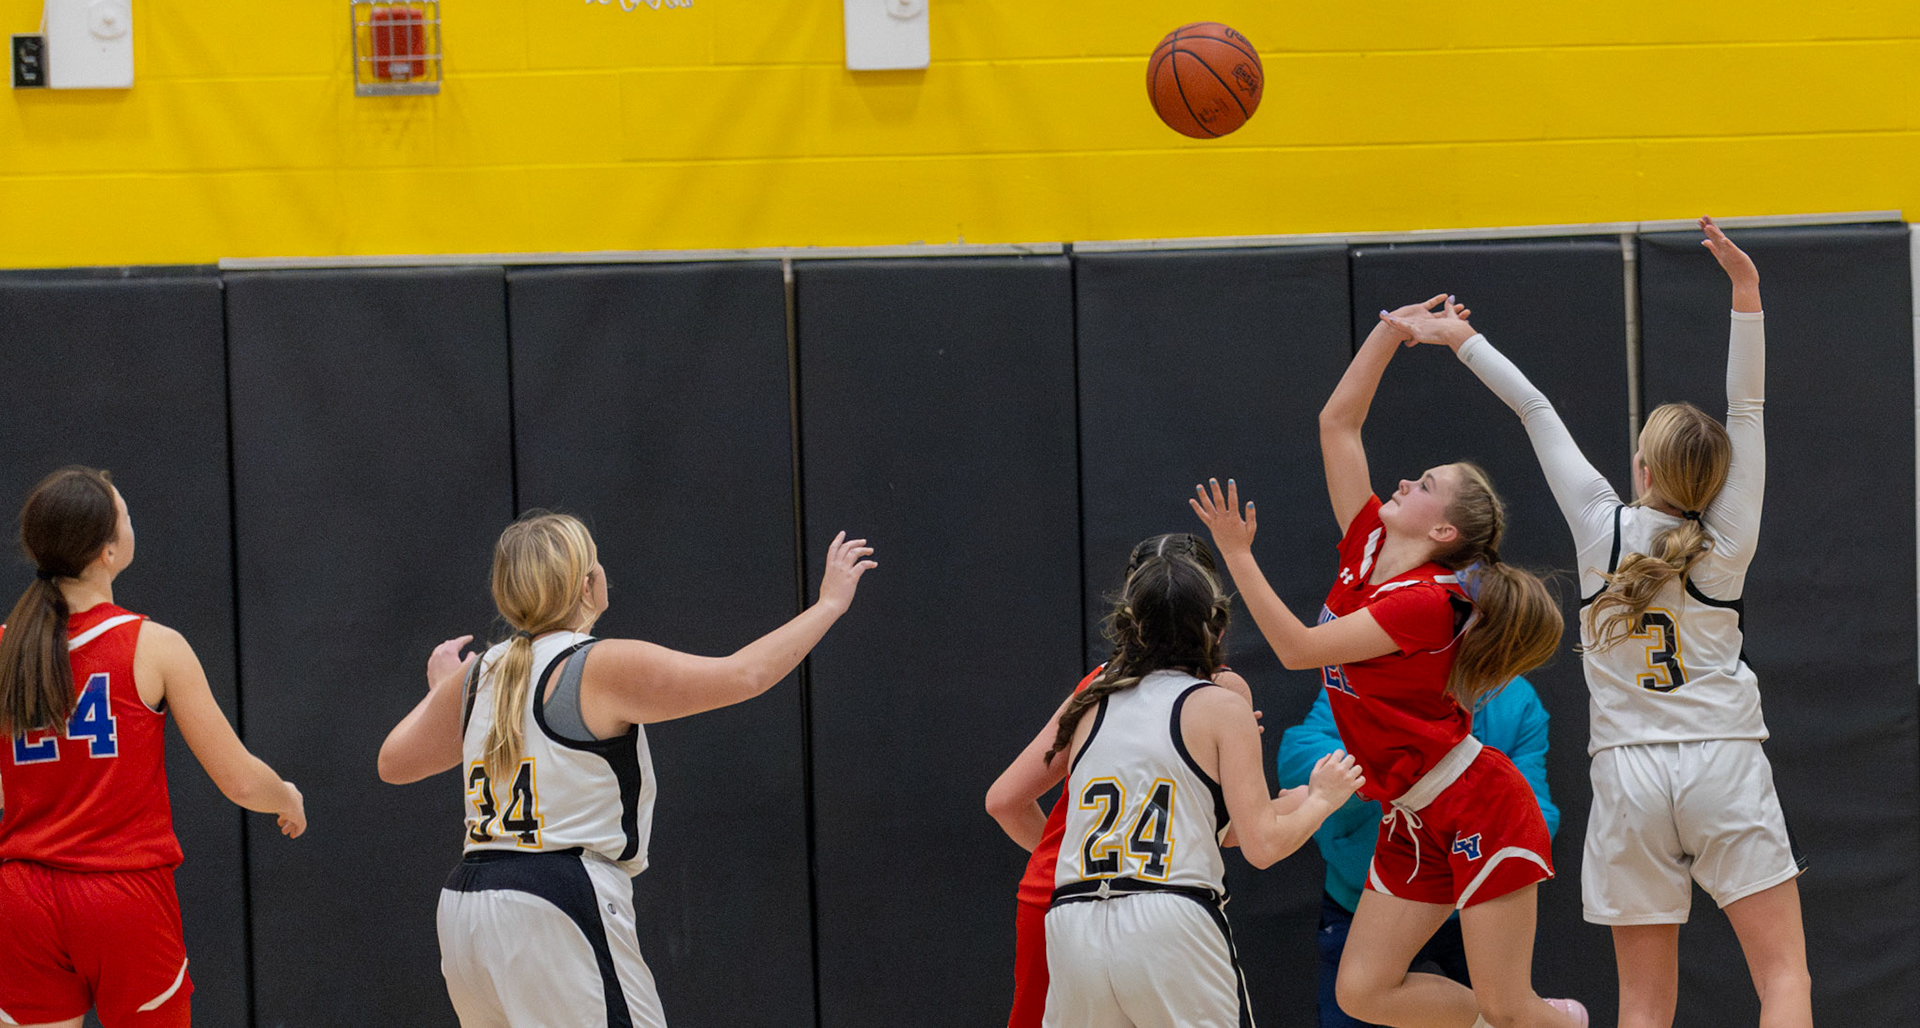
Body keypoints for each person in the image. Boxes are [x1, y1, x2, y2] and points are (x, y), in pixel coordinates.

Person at [1383, 218, 1808, 1028]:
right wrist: (1746, 291)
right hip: (1723, 762)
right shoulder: (1727, 542)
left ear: (1642, 470)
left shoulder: (1600, 528)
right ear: (1714, 481)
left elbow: (1534, 407)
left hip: (1625, 775)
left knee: (1643, 1004)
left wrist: (1462, 339)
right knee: (1784, 977)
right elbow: (1746, 407)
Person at [1191, 295, 1585, 1028]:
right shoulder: (1369, 540)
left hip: (1476, 803)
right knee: (1363, 992)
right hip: (1411, 812)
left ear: (1442, 531)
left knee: (1508, 1005)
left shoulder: (1429, 603)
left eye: (1425, 485)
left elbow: (1296, 650)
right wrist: (1389, 332)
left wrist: (1238, 555)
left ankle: (1561, 1021)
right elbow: (1337, 424)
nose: (1405, 482)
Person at [378, 512, 874, 1028]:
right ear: (585, 584)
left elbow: (393, 762)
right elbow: (745, 674)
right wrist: (829, 604)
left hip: (467, 908)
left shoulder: (480, 674)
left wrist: (443, 689)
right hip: (556, 899)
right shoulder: (598, 664)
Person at [0, 466, 307, 1028]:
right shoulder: (154, 645)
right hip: (123, 894)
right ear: (108, 552)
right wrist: (285, 796)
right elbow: (239, 780)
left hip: (22, 899)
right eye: (126, 515)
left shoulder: (5, 649)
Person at [1036, 532, 1363, 1028]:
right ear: (1217, 627)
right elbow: (1261, 846)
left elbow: (1208, 827)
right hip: (1169, 920)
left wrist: (1286, 803)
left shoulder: (1090, 702)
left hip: (1072, 920)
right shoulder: (1220, 704)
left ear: (1129, 623)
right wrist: (1322, 800)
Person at [986, 535, 1262, 1028]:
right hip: (1154, 893)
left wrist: (1082, 853)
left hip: (1064, 895)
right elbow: (1240, 833)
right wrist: (1309, 800)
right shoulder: (1219, 690)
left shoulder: (1099, 685)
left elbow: (1004, 800)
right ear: (1212, 609)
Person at [1278, 680, 1559, 1028]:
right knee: (1358, 997)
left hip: (1470, 911)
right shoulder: (1366, 676)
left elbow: (1535, 808)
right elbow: (1301, 752)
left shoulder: (1515, 698)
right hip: (1364, 896)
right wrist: (1376, 781)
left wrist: (1478, 841)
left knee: (1507, 1009)